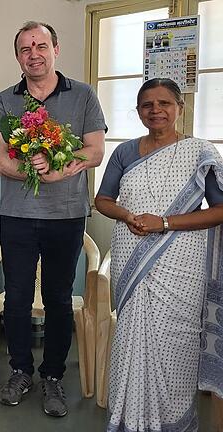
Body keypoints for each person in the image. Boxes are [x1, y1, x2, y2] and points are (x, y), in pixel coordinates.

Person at [0, 21, 106, 417]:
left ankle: (53, 375)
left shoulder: (84, 95)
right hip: (17, 216)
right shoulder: (4, 101)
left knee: (57, 298)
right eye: (25, 48)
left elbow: (94, 151)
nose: (33, 53)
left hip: (66, 216)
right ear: (18, 56)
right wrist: (33, 172)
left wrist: (60, 166)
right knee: (17, 297)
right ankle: (20, 369)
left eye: (40, 45)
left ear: (56, 47)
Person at [94, 78, 223, 431]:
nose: (156, 110)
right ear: (138, 112)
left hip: (182, 258)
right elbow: (102, 200)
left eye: (164, 103)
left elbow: (219, 209)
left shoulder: (200, 152)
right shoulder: (124, 152)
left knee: (178, 340)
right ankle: (128, 418)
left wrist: (164, 223)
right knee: (131, 336)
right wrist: (129, 216)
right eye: (147, 105)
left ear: (180, 108)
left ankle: (173, 421)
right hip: (131, 248)